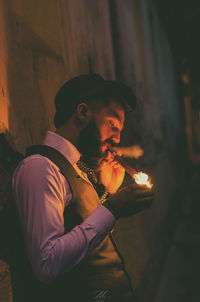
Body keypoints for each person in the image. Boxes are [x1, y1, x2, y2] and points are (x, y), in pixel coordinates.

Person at [12, 73, 154, 302]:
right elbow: (47, 264)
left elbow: (86, 247)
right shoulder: (40, 167)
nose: (116, 139)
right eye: (112, 125)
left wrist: (107, 193)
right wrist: (112, 208)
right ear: (82, 112)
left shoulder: (78, 169)